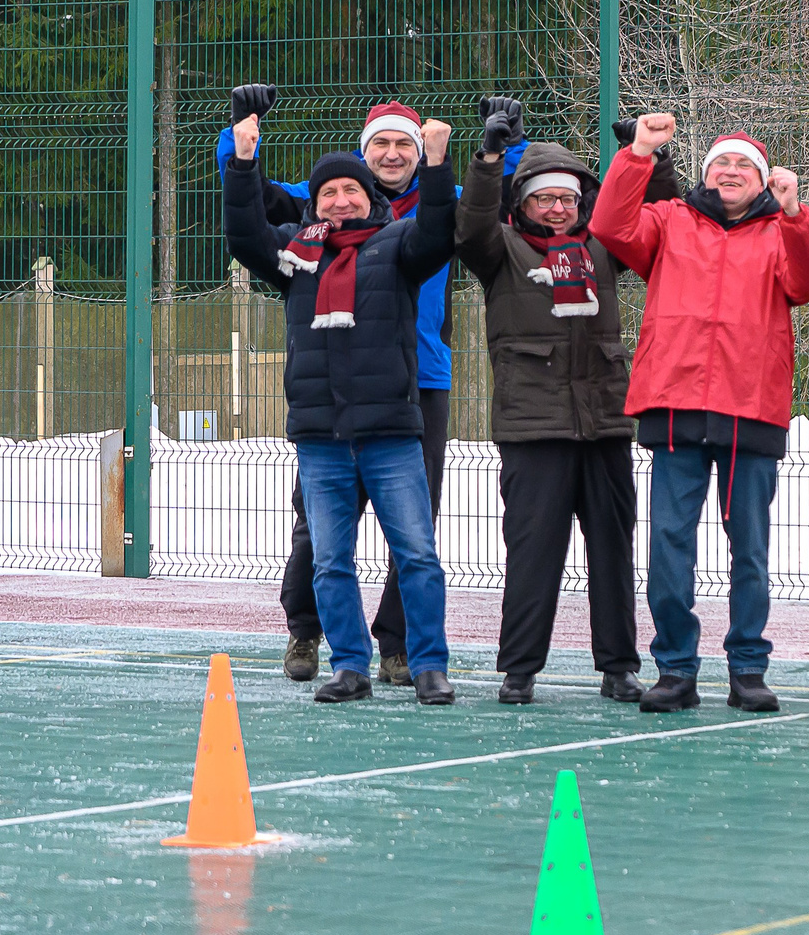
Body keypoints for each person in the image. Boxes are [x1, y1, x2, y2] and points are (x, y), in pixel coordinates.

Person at [589, 114, 809, 714]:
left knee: (749, 549)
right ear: (706, 173)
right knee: (669, 546)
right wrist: (639, 155)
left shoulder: (782, 229)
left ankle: (748, 668)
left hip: (750, 410)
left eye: (744, 166)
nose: (730, 172)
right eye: (721, 164)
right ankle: (675, 669)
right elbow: (609, 224)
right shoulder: (670, 218)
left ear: (762, 180)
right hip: (674, 406)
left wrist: (797, 213)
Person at [217, 89, 457, 688]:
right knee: (326, 554)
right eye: (331, 192)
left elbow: (442, 226)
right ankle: (341, 658)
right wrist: (241, 148)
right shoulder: (299, 251)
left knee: (417, 551)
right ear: (317, 203)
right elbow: (247, 227)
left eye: (352, 191)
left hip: (396, 415)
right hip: (323, 427)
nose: (343, 199)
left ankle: (421, 661)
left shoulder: (399, 242)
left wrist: (439, 158)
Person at [456, 96, 670, 705]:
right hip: (534, 430)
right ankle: (519, 669)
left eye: (569, 199)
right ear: (522, 204)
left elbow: (659, 218)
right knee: (532, 553)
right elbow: (469, 223)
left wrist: (649, 159)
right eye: (545, 199)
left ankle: (619, 667)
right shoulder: (499, 250)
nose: (558, 209)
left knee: (612, 551)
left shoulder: (603, 247)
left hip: (604, 425)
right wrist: (489, 158)